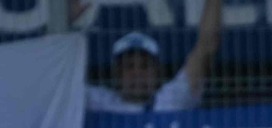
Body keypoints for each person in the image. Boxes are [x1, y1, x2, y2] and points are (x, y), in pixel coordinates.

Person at [86, 2, 221, 115]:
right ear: (116, 74)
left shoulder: (170, 100)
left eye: (144, 66)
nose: (137, 73)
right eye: (129, 66)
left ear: (157, 73)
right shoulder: (99, 103)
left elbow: (207, 45)